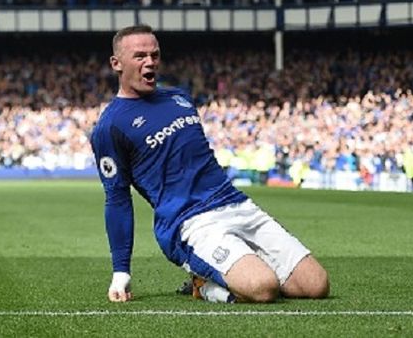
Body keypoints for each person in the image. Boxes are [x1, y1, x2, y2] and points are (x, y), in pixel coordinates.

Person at [90, 24, 329, 303]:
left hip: (236, 204)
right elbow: (117, 199)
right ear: (116, 63)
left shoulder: (179, 98)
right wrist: (121, 272)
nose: (150, 62)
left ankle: (234, 268)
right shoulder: (110, 127)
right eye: (140, 56)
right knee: (263, 288)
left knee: (316, 285)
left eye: (155, 55)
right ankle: (203, 285)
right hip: (190, 222)